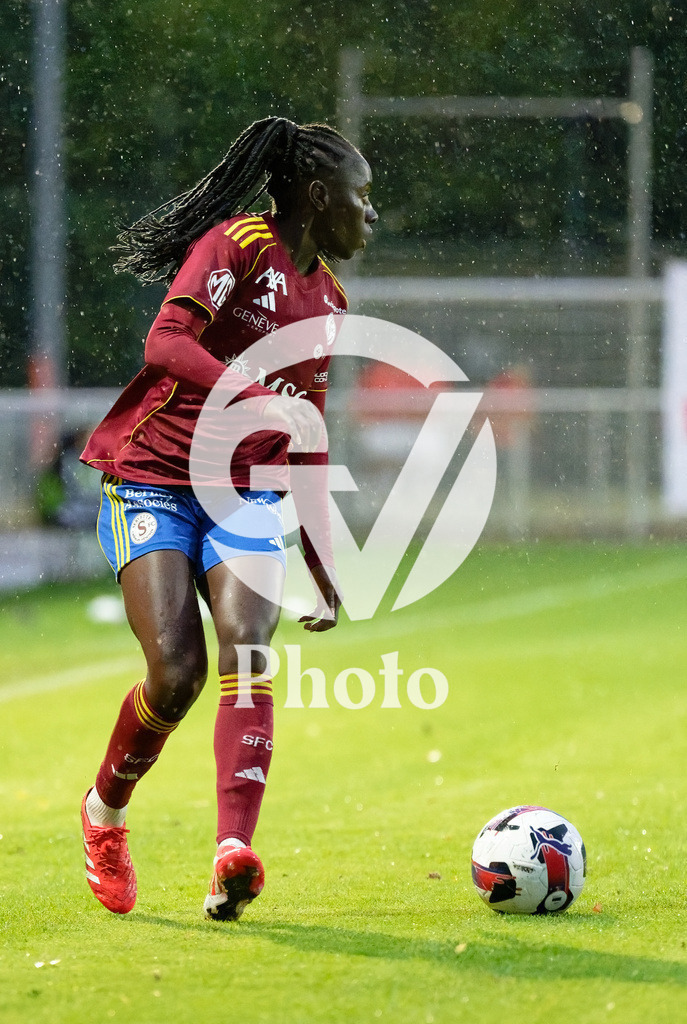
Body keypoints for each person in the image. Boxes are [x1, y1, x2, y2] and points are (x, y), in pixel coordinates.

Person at [78, 117, 378, 920]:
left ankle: (231, 853)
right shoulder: (237, 243)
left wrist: (323, 565)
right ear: (319, 197)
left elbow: (305, 430)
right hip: (151, 478)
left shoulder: (330, 299)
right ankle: (104, 815)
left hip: (243, 493)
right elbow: (165, 344)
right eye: (362, 198)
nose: (370, 216)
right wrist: (253, 394)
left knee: (248, 650)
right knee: (175, 674)